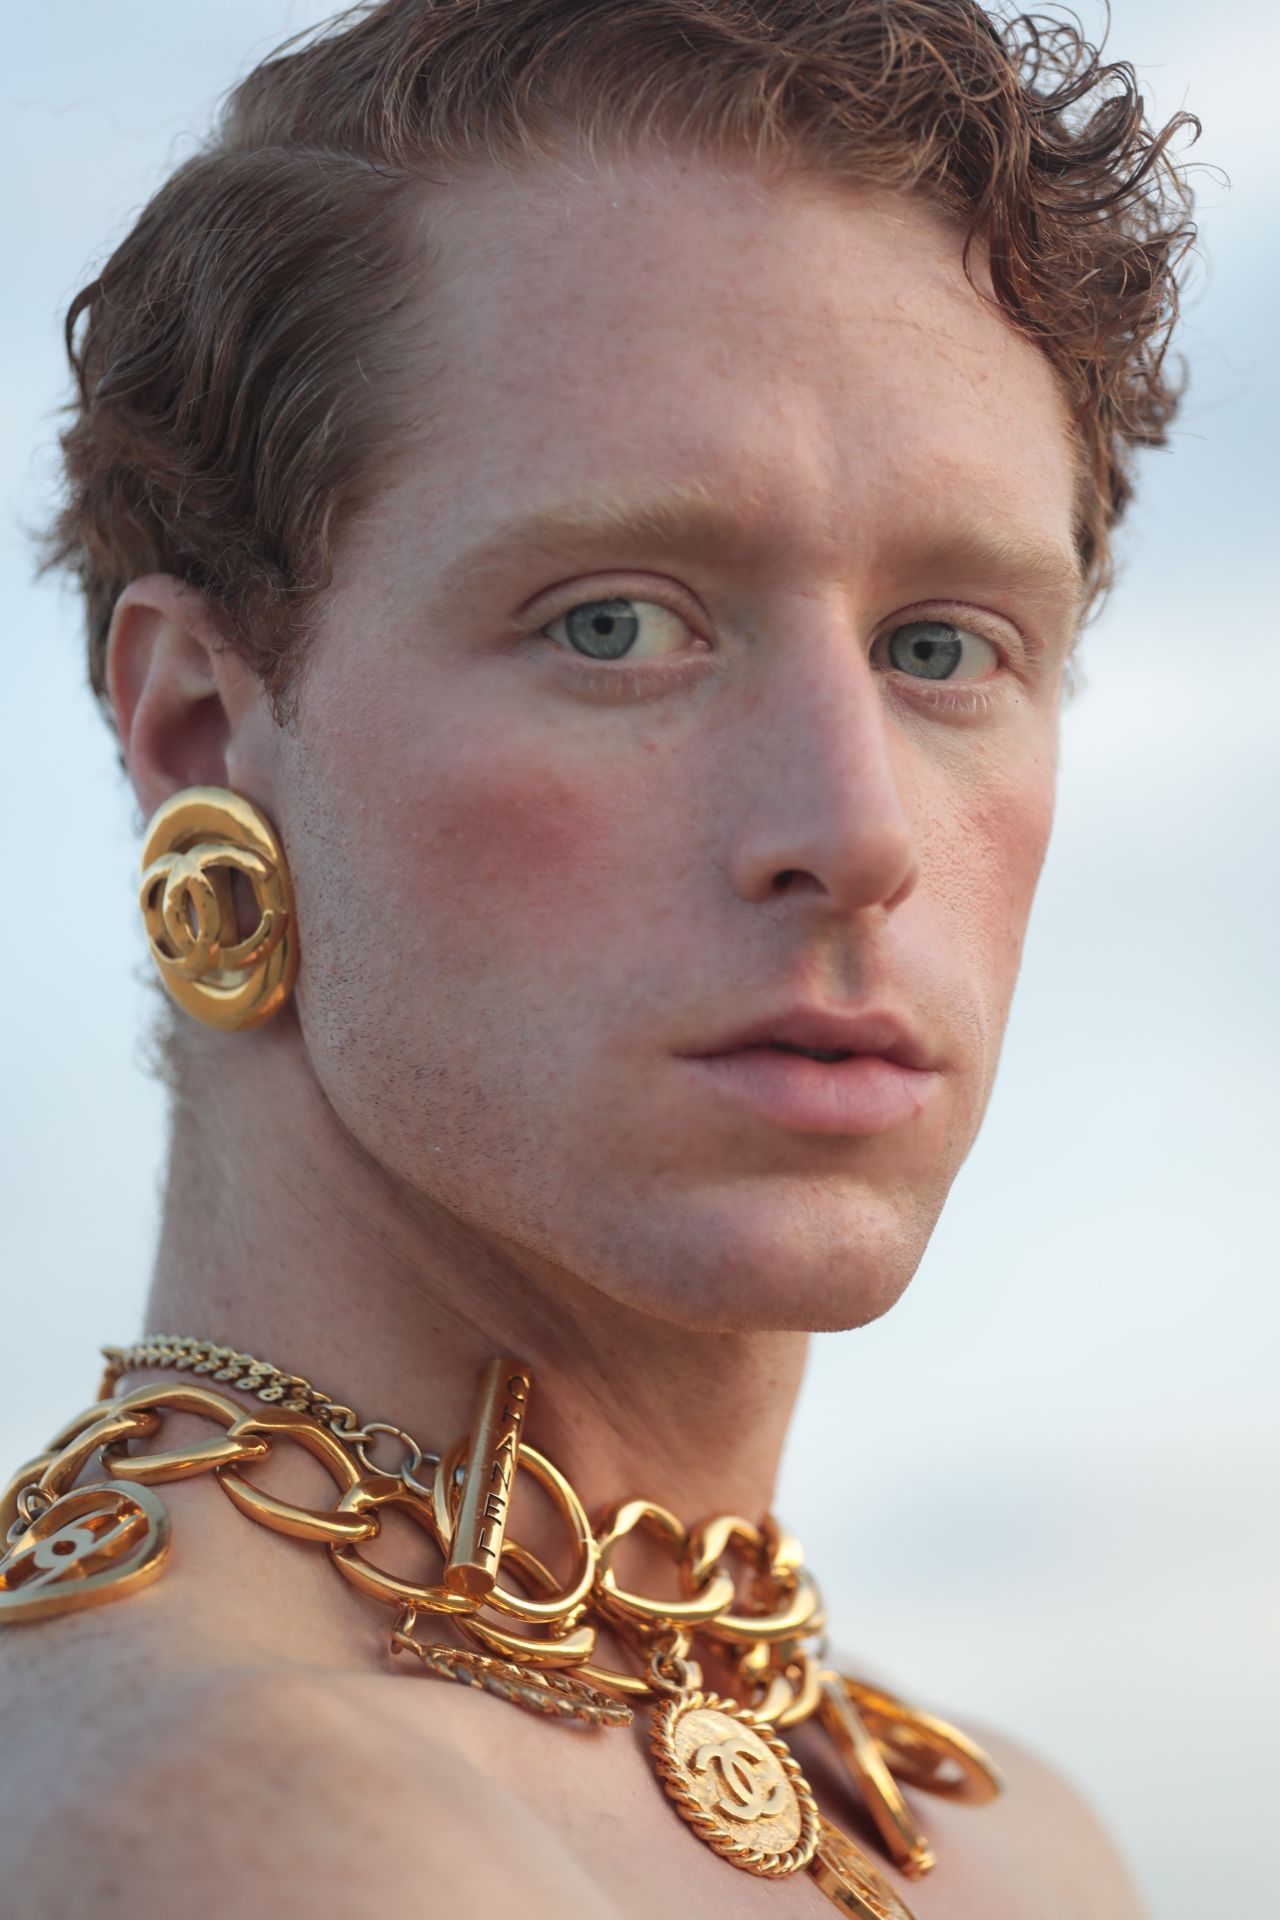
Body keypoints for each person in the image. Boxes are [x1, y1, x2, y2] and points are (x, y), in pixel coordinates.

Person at [0, 1, 1196, 1913]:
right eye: (618, 626)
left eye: (946, 647)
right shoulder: (241, 1830)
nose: (858, 829)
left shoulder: (1017, 1847)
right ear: (205, 732)